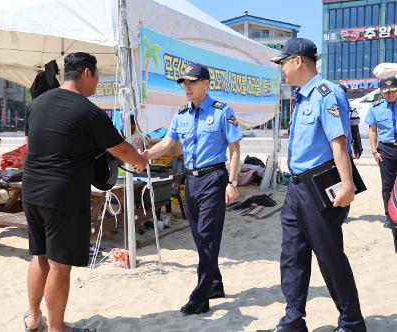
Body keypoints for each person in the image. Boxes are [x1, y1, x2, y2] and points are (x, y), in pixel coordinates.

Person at [22, 52, 148, 332]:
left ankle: (33, 319)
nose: (97, 83)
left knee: (39, 256)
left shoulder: (38, 103)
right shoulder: (88, 111)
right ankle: (57, 328)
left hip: (31, 189)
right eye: (97, 77)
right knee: (59, 265)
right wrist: (141, 161)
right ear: (87, 73)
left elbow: (31, 145)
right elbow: (122, 150)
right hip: (63, 195)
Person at [261, 38, 366, 332]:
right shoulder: (301, 97)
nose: (281, 69)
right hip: (295, 189)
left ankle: (352, 323)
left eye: (283, 62)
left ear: (297, 61)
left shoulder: (326, 94)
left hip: (318, 188)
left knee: (330, 256)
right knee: (292, 256)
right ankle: (293, 320)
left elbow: (339, 142)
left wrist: (347, 184)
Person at [142, 63, 242, 315]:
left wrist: (232, 182)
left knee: (208, 238)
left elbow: (235, 150)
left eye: (191, 82)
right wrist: (144, 156)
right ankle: (215, 283)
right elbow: (167, 143)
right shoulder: (181, 114)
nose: (186, 86)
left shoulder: (222, 111)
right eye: (183, 83)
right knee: (199, 238)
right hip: (192, 181)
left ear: (205, 84)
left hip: (214, 179)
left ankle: (200, 297)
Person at [365, 76, 397, 229]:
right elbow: (372, 131)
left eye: (392, 91)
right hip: (386, 149)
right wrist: (374, 151)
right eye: (386, 92)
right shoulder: (376, 107)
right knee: (387, 185)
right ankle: (389, 216)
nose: (389, 94)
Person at [337, 83, 363, 159]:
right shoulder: (326, 109)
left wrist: (358, 146)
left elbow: (355, 131)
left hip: (346, 147)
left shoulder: (351, 110)